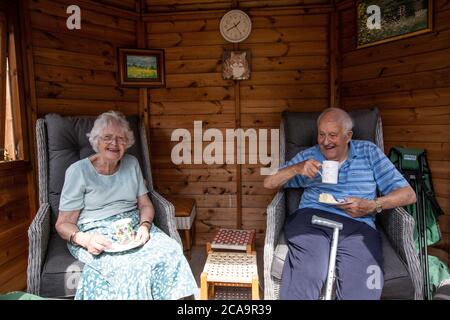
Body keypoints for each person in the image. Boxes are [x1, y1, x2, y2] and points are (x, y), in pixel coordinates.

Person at [264, 108, 417, 300]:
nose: (325, 141)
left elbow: (408, 194)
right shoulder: (309, 156)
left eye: (333, 135)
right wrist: (297, 168)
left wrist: (373, 205)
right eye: (321, 134)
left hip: (359, 224)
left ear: (348, 136)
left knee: (361, 288)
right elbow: (269, 182)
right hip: (312, 218)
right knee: (308, 272)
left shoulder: (369, 152)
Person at [55, 111, 198, 300]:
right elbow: (63, 224)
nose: (114, 144)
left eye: (120, 139)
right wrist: (85, 240)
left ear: (127, 143)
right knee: (128, 269)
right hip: (94, 232)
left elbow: (145, 204)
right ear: (96, 141)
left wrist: (145, 226)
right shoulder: (78, 171)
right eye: (107, 137)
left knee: (171, 250)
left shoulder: (132, 163)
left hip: (131, 227)